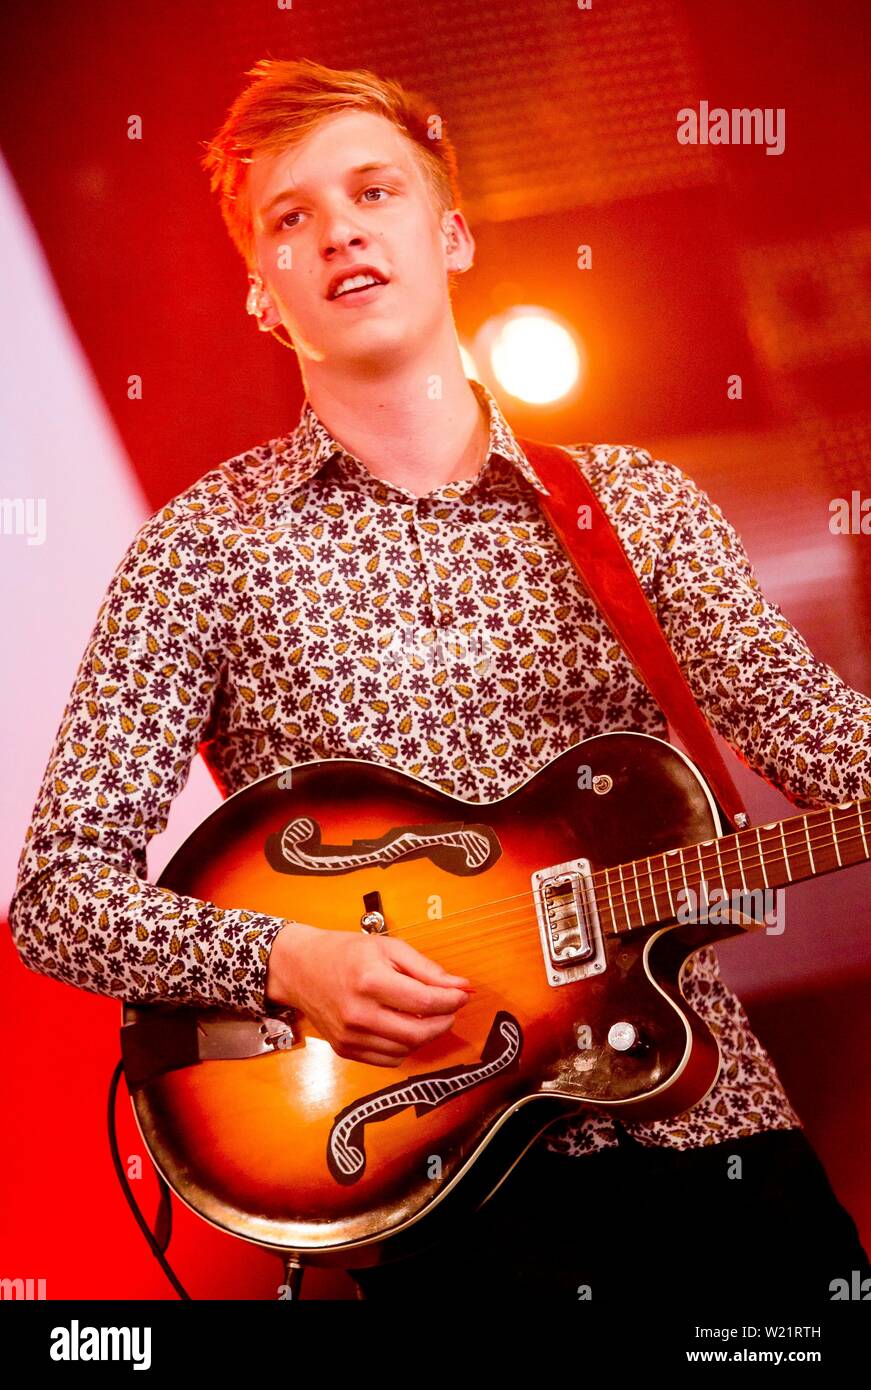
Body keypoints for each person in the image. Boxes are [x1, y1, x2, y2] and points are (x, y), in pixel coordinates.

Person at [8, 57, 871, 1306]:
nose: (341, 229)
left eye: (375, 191)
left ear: (450, 231)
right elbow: (58, 896)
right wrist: (285, 961)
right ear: (260, 292)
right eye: (290, 218)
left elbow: (819, 737)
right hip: (436, 1193)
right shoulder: (202, 550)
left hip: (707, 1127)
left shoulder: (631, 504)